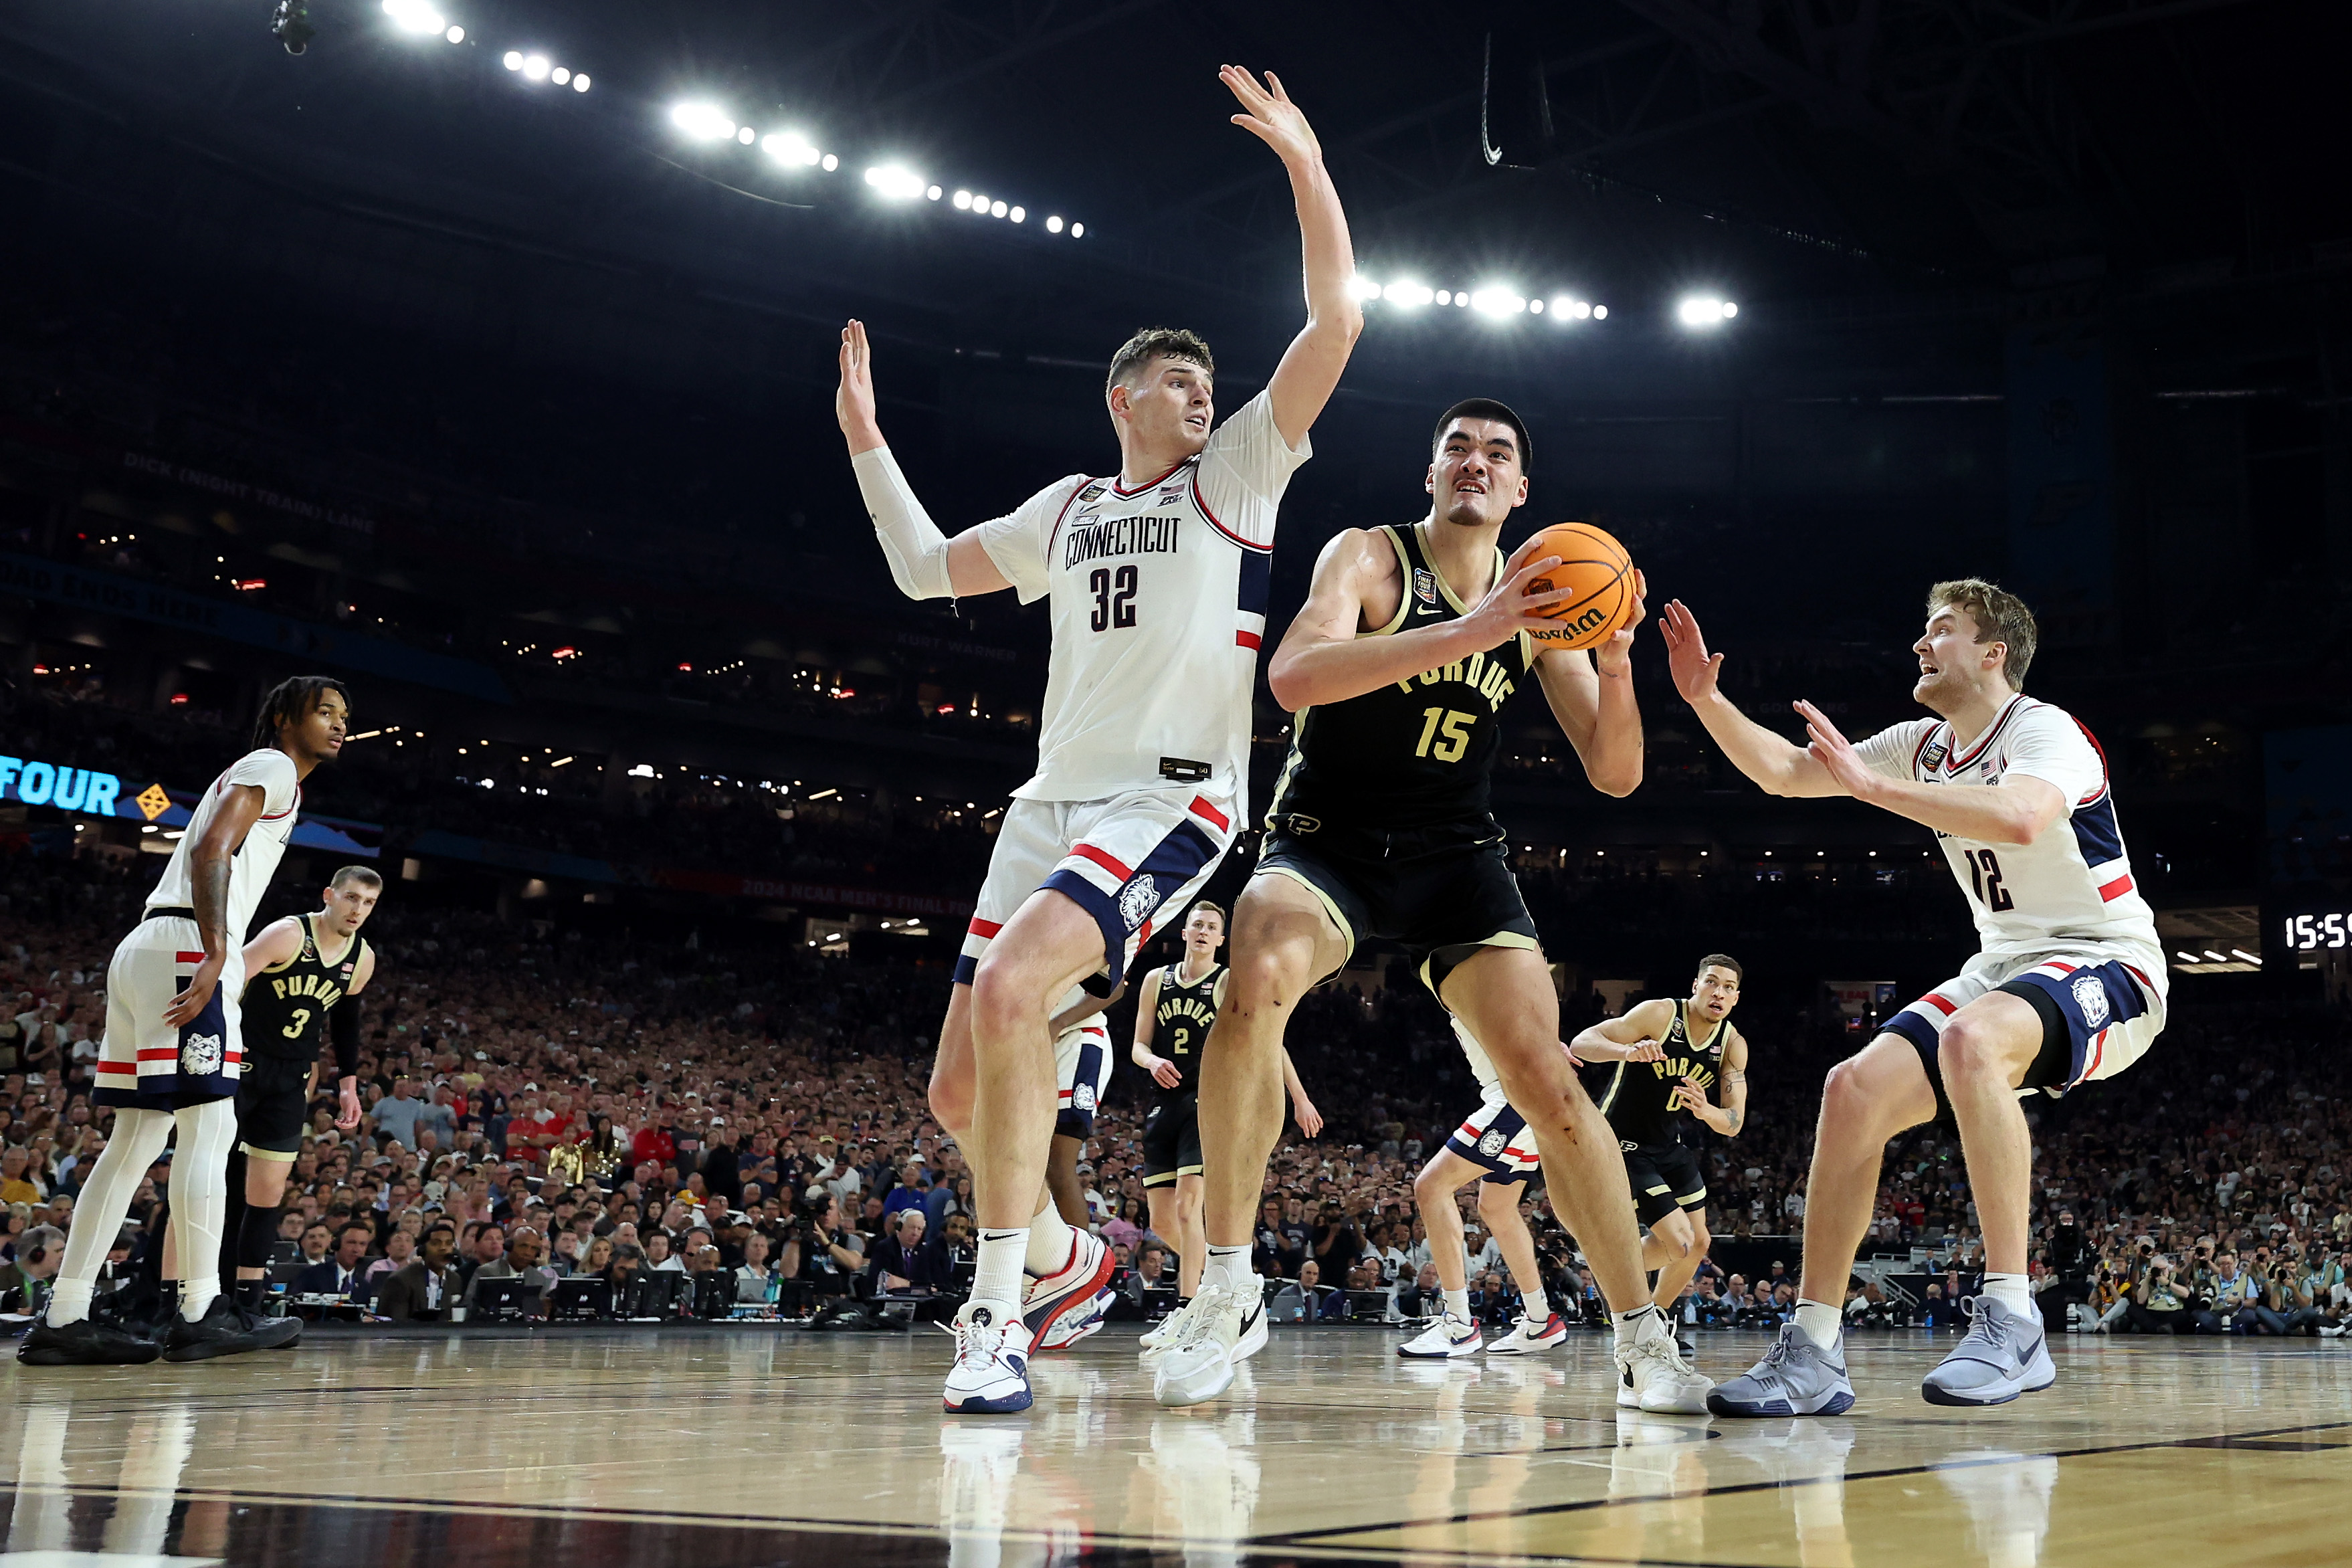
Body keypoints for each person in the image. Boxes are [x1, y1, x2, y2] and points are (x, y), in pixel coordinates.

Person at [836, 64, 1360, 1417]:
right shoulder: (1065, 507)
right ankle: (1069, 1262)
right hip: (1046, 806)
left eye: (1209, 386)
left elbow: (1336, 315)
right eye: (1183, 385)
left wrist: (1306, 165)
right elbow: (917, 570)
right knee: (959, 1085)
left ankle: (993, 1319)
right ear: (1126, 398)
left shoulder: (1235, 476)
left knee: (1014, 998)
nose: (1205, 398)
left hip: (1171, 804)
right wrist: (866, 441)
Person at [1159, 397, 1708, 1417]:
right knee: (1257, 975)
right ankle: (1229, 1286)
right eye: (1458, 447)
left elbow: (1618, 772)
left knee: (1547, 1076)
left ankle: (1643, 1340)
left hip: (1453, 855)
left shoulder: (1540, 605)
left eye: (1498, 454)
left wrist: (1621, 660)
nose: (1476, 462)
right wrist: (1474, 628)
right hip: (1329, 837)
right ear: (1431, 472)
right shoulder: (1370, 557)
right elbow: (1293, 676)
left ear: (1521, 492)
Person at [1665, 581, 2167, 1414]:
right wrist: (1706, 699)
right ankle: (1813, 1350)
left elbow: (2018, 816)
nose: (1919, 645)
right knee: (1850, 1089)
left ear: (1993, 651)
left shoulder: (2047, 730)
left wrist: (1874, 788)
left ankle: (2014, 1317)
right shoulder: (1924, 744)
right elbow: (1788, 773)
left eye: (1940, 630)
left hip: (2110, 965)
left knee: (1971, 1039)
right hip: (2005, 966)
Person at [20, 676, 347, 1366]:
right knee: (211, 1128)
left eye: (345, 716)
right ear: (285, 718)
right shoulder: (274, 766)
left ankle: (68, 1311)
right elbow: (210, 851)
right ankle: (202, 1309)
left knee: (136, 1138)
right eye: (325, 711)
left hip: (147, 944)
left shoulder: (259, 772)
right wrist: (219, 948)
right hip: (189, 945)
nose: (339, 724)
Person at [1131, 901, 1322, 1351]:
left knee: (1187, 1206)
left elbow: (1270, 1040)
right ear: (1184, 932)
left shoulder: (1226, 983)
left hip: (1208, 1103)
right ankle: (1225, 1277)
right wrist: (1153, 1060)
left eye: (1211, 927)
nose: (1202, 931)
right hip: (1164, 1105)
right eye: (1196, 924)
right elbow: (1138, 1046)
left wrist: (1300, 1096)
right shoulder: (1156, 980)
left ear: (1221, 940)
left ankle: (1185, 1310)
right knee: (1162, 1219)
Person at [201, 867, 380, 1325]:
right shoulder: (287, 934)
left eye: (368, 903)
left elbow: (346, 1021)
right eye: (352, 898)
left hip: (291, 1077)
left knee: (266, 1197)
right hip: (241, 1066)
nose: (358, 910)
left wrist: (347, 1085)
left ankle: (247, 1304)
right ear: (329, 895)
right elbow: (226, 980)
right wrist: (212, 1048)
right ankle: (181, 1295)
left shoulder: (361, 958)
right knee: (203, 1182)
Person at [1567, 955, 1751, 1338]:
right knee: (1681, 1242)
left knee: (1699, 1243)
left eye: (1729, 987)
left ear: (1735, 998)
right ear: (1696, 986)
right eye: (1712, 983)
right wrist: (1626, 1052)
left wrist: (1706, 1111)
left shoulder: (1732, 1044)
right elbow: (1583, 1042)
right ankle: (1612, 1275)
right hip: (1620, 1143)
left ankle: (1655, 1318)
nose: (1719, 992)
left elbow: (1734, 1122)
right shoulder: (1660, 1015)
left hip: (1668, 1145)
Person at [1393, 1020, 1571, 1361]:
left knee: (1431, 1188)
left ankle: (1459, 1324)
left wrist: (1546, 1047)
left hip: (1514, 1098)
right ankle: (1540, 1320)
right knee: (1498, 1209)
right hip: (1520, 1098)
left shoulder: (1478, 970)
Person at [376, 1223, 462, 1322]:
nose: (443, 1248)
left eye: (449, 1243)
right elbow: (397, 1325)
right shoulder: (401, 1280)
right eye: (435, 1243)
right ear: (422, 1249)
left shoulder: (455, 1279)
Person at [292, 1220, 375, 1298]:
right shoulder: (311, 1275)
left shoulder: (364, 1287)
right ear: (336, 1244)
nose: (356, 1250)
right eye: (351, 1243)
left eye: (362, 1244)